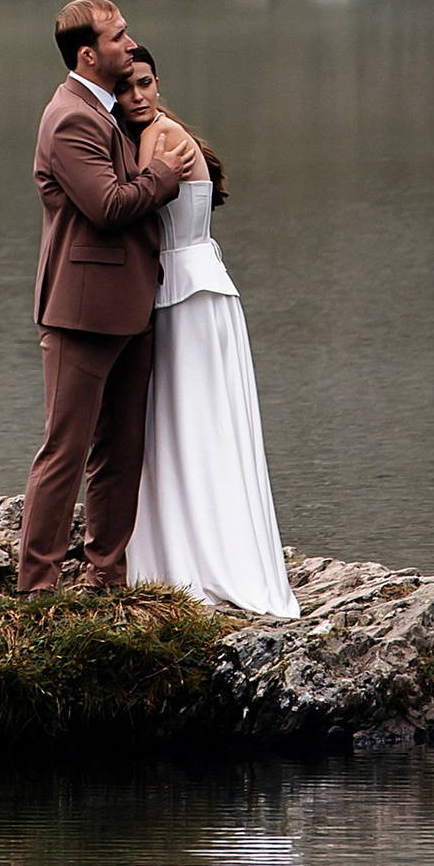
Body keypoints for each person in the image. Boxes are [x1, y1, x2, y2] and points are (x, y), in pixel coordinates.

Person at [17, 0, 192, 596]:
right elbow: (109, 206)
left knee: (121, 453)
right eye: (119, 37)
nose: (129, 43)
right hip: (82, 313)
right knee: (64, 453)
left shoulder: (111, 110)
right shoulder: (70, 117)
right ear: (89, 54)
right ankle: (36, 588)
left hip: (132, 305)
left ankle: (106, 580)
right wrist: (165, 176)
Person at [121, 47, 298, 619]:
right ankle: (209, 543)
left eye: (145, 84)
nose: (138, 97)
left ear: (157, 83)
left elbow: (126, 210)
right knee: (197, 420)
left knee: (186, 420)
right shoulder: (166, 131)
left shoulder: (156, 136)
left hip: (185, 295)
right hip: (202, 290)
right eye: (126, 90)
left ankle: (194, 556)